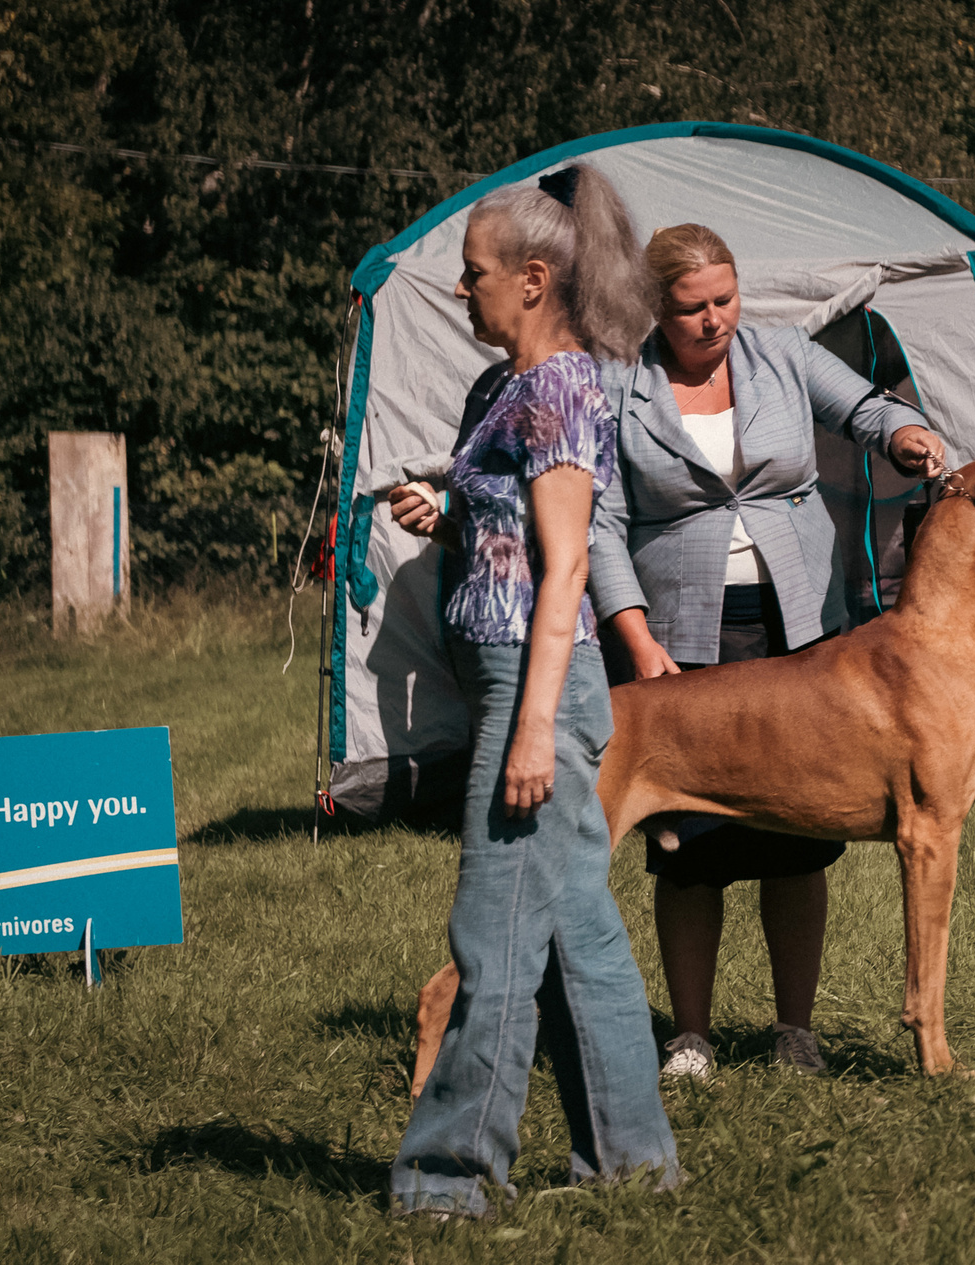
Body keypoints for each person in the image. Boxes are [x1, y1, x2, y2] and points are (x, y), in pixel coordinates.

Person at [382, 163, 680, 1218]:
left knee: (493, 930)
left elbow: (564, 568)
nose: (460, 290)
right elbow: (511, 530)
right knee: (575, 928)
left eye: (473, 274)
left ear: (533, 277)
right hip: (517, 673)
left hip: (536, 681)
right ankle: (633, 1159)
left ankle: (447, 1182)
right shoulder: (502, 387)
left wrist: (534, 727)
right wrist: (450, 513)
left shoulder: (555, 388)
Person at [593, 222, 946, 1084]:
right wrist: (636, 638)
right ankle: (690, 1035)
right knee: (691, 844)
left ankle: (797, 1032)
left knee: (797, 838)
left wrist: (904, 434)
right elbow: (599, 519)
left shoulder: (784, 353)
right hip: (683, 640)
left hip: (799, 624)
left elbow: (869, 408)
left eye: (725, 299)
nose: (714, 320)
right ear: (655, 309)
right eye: (691, 309)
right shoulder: (619, 386)